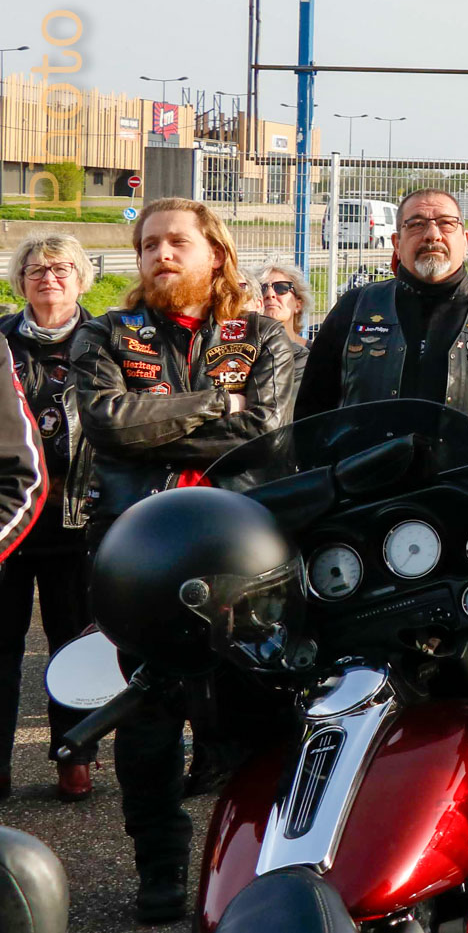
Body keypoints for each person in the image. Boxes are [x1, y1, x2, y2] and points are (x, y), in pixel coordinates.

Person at [69, 198, 296, 923]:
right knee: (147, 717)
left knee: (259, 710)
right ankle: (160, 866)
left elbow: (264, 432)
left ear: (216, 253)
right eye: (148, 245)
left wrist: (163, 421)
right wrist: (217, 403)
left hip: (245, 554)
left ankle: (259, 868)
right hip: (138, 555)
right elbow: (108, 423)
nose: (160, 254)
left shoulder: (261, 334)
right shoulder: (107, 332)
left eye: (177, 242)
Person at [295, 189, 468, 461]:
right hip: (366, 484)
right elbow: (312, 412)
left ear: (465, 240)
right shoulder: (355, 308)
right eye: (416, 224)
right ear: (397, 243)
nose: (432, 235)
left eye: (446, 223)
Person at [0, 236, 79, 801]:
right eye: (36, 269)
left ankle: (75, 752)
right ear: (19, 280)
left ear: (81, 277)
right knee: (1, 646)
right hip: (10, 516)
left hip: (76, 519)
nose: (48, 278)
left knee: (71, 642)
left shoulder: (106, 339)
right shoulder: (2, 340)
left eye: (60, 268)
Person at [256, 257, 312, 396]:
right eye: (261, 289)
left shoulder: (315, 353)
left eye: (281, 288)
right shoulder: (244, 354)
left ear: (298, 304)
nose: (270, 294)